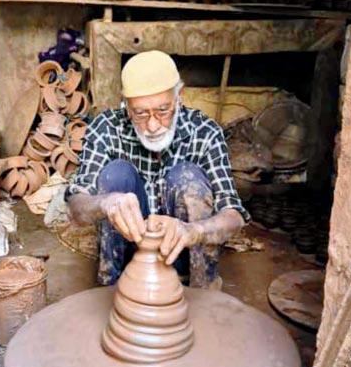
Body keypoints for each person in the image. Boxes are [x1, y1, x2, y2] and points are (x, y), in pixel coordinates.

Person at [66, 50, 247, 288]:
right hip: (130, 259)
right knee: (116, 174)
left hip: (183, 252)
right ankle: (112, 286)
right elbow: (75, 208)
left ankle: (200, 291)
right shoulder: (106, 128)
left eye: (163, 110)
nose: (152, 125)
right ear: (126, 106)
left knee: (187, 177)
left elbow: (234, 216)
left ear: (179, 96)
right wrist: (105, 203)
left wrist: (195, 231)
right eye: (140, 113)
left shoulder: (205, 132)